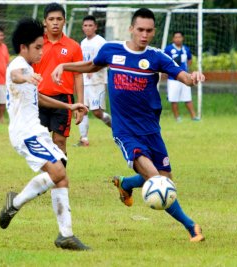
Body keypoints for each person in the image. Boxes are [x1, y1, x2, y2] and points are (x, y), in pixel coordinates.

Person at [52, 8, 205, 242]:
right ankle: (191, 226)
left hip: (151, 130)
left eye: (149, 31)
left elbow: (181, 75)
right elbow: (93, 65)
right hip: (125, 130)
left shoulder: (157, 57)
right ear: (131, 28)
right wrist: (66, 66)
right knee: (158, 181)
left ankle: (125, 183)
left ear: (154, 32)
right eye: (140, 29)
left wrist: (192, 78)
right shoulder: (111, 50)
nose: (144, 35)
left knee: (167, 178)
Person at [0, 18, 90, 251]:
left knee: (62, 175)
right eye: (38, 47)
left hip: (35, 131)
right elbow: (16, 76)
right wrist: (25, 77)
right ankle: (15, 202)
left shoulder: (28, 68)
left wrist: (69, 107)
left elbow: (37, 98)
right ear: (23, 48)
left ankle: (65, 235)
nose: (41, 51)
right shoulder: (18, 65)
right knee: (59, 170)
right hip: (26, 133)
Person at [33, 2, 85, 157]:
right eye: (51, 19)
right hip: (39, 98)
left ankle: (60, 179)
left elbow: (78, 75)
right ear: (45, 21)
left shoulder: (73, 46)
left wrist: (80, 104)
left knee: (59, 141)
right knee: (39, 141)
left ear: (64, 21)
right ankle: (46, 177)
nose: (55, 22)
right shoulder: (36, 44)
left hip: (64, 100)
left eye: (59, 19)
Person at [74, 15, 111, 147]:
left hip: (97, 82)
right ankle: (83, 139)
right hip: (84, 82)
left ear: (95, 27)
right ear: (82, 27)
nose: (88, 28)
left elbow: (107, 61)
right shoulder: (83, 43)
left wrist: (93, 69)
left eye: (90, 25)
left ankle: (117, 129)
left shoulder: (101, 42)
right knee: (81, 108)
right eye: (85, 25)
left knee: (97, 112)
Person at [164, 31, 199, 122]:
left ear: (182, 38)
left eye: (179, 37)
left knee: (187, 98)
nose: (178, 39)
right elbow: (164, 61)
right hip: (173, 78)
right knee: (174, 98)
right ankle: (177, 118)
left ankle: (194, 116)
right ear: (173, 39)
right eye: (176, 37)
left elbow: (189, 60)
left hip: (184, 78)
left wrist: (186, 69)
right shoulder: (168, 49)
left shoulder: (186, 49)